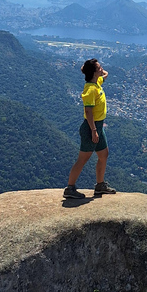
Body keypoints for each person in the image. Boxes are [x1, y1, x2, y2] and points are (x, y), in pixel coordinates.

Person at [63, 58, 116, 199]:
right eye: (98, 67)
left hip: (98, 127)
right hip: (90, 128)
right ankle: (70, 188)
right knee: (83, 159)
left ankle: (100, 185)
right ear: (93, 72)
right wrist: (93, 131)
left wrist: (93, 69)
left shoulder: (97, 83)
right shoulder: (90, 90)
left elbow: (106, 73)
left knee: (103, 155)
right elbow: (88, 112)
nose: (101, 68)